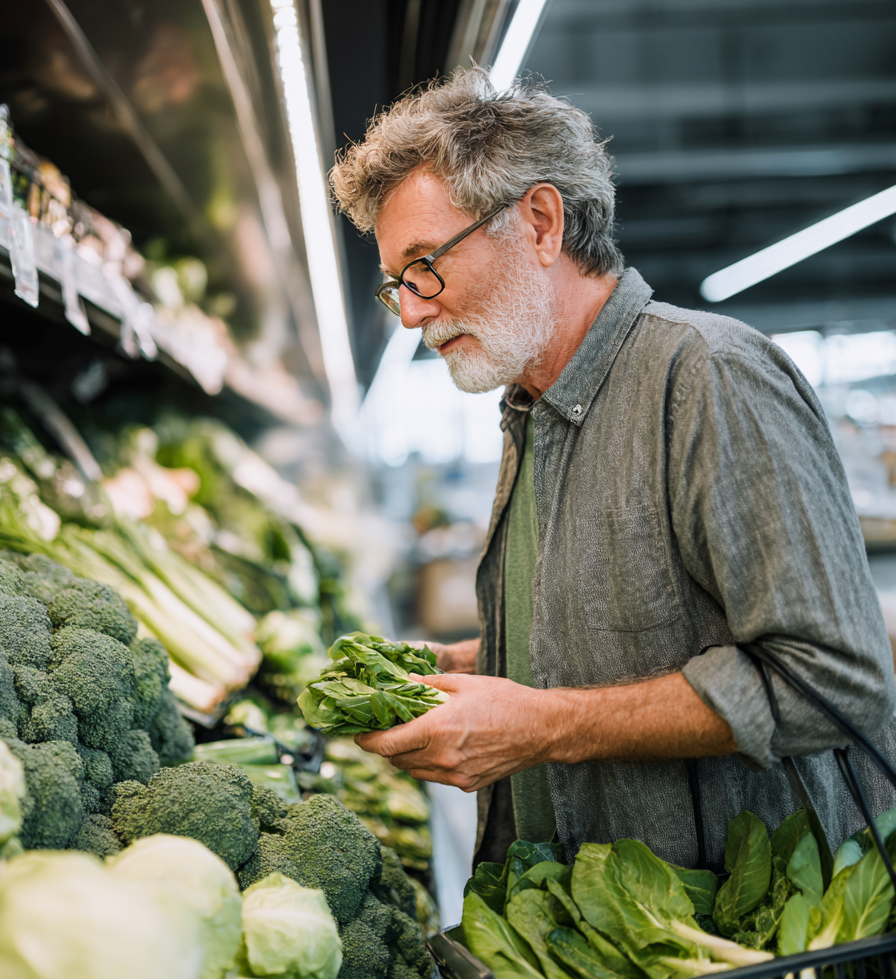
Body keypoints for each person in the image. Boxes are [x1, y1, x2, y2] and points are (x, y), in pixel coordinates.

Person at [329, 68, 896, 869]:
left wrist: (545, 726)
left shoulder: (710, 377)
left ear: (539, 223)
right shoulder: (531, 407)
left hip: (739, 926)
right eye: (399, 284)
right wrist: (483, 662)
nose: (413, 310)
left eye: (426, 263)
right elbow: (639, 629)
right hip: (595, 918)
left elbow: (832, 681)